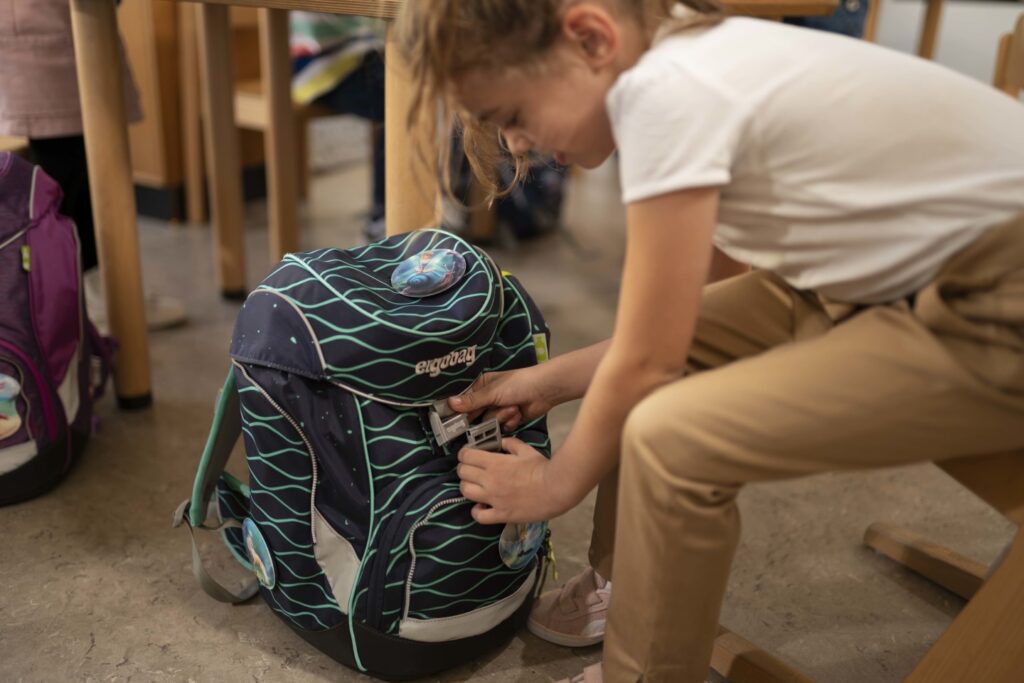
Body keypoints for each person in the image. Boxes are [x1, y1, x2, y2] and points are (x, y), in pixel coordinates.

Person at [394, 1, 1024, 681]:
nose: (515, 145)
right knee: (674, 364)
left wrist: (553, 484)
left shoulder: (667, 96)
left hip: (994, 301)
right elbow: (669, 334)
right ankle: (629, 585)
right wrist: (548, 382)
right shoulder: (688, 56)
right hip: (902, 283)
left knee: (673, 439)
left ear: (589, 37)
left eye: (513, 116)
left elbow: (646, 361)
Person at [0, 0, 186, 331]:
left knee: (85, 174)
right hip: (38, 37)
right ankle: (67, 315)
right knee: (58, 190)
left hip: (60, 30)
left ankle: (96, 300)